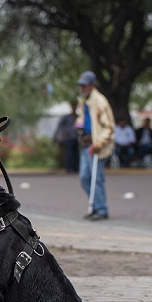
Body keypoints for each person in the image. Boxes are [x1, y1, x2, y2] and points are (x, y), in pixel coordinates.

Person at [77, 71, 114, 220]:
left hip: (96, 145)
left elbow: (108, 126)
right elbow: (83, 118)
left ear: (92, 85)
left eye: (85, 85)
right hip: (86, 142)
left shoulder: (100, 101)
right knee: (85, 177)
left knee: (96, 178)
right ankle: (95, 205)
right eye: (81, 85)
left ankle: (102, 209)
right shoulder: (83, 100)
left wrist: (100, 142)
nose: (82, 88)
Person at [53, 101, 80, 173]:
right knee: (69, 153)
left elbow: (79, 126)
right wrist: (61, 135)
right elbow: (60, 126)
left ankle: (75, 167)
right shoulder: (67, 117)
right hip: (68, 138)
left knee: (76, 153)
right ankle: (68, 167)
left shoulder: (78, 117)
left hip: (76, 137)